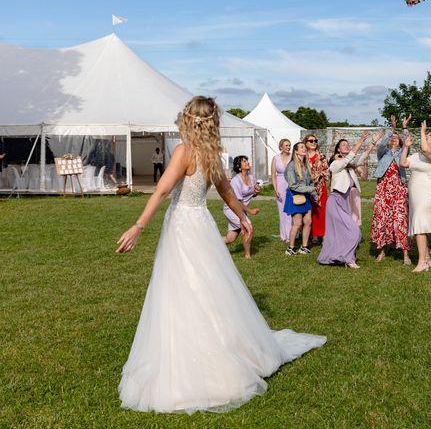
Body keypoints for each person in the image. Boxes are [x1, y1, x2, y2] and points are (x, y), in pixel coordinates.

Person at [115, 96, 325, 413]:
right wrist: (242, 217)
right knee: (208, 287)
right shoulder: (211, 154)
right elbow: (227, 191)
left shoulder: (185, 152)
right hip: (200, 225)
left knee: (184, 288)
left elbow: (161, 190)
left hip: (184, 227)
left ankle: (200, 362)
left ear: (189, 121)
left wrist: (138, 226)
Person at [317, 132, 375, 268]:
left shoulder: (350, 167)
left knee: (344, 232)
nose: (347, 146)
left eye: (347, 144)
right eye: (343, 145)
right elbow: (349, 158)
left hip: (345, 203)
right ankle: (349, 259)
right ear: (337, 150)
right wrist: (361, 139)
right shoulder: (335, 165)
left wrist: (372, 143)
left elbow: (362, 156)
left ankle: (342, 257)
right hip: (335, 202)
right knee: (354, 231)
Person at [400, 122, 431, 273]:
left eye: (430, 135)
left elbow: (425, 148)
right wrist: (405, 146)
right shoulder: (417, 155)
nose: (426, 136)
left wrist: (422, 130)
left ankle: (422, 262)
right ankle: (426, 259)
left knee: (420, 224)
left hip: (427, 191)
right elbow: (403, 162)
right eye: (426, 134)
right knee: (419, 224)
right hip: (415, 192)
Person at [371, 115, 411, 265]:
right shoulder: (383, 153)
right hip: (383, 189)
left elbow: (409, 143)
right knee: (382, 218)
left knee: (400, 219)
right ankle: (381, 250)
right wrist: (392, 129)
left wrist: (404, 128)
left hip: (399, 189)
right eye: (392, 137)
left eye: (396, 137)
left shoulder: (403, 152)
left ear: (400, 141)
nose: (394, 138)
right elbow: (381, 144)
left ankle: (405, 254)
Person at [223, 155, 261, 259]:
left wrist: (257, 191)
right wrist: (251, 211)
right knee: (249, 228)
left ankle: (213, 245)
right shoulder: (236, 181)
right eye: (244, 161)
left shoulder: (251, 177)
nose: (247, 162)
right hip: (231, 209)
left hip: (241, 209)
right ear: (239, 166)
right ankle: (247, 256)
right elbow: (237, 202)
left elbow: (251, 194)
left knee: (230, 238)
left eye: (247, 161)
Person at [283, 142, 317, 255]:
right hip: (295, 197)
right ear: (296, 151)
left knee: (308, 221)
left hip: (306, 196)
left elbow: (310, 181)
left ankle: (304, 246)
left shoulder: (306, 164)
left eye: (304, 147)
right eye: (301, 147)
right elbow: (292, 185)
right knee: (297, 223)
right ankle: (291, 248)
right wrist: (309, 189)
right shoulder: (292, 165)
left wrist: (314, 192)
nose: (304, 149)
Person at [303, 134, 330, 244]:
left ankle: (323, 235)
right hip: (307, 188)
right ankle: (311, 235)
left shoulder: (321, 156)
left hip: (320, 188)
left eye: (315, 141)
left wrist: (319, 174)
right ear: (305, 143)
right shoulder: (303, 157)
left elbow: (327, 171)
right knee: (310, 212)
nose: (313, 142)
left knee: (322, 212)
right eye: (310, 141)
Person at [271, 139, 292, 242]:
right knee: (281, 210)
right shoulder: (275, 158)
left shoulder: (293, 157)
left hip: (291, 184)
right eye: (286, 145)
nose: (288, 147)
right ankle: (283, 234)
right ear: (281, 147)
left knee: (290, 209)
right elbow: (273, 175)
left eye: (289, 145)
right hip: (280, 184)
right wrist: (275, 189)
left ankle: (290, 234)